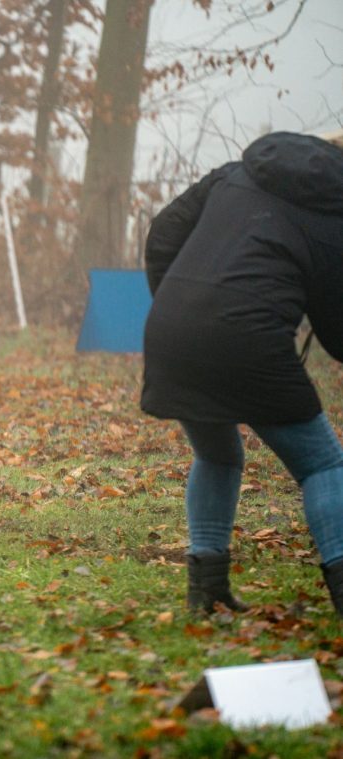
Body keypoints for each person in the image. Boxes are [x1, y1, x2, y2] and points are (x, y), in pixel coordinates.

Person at [141, 129, 343, 616]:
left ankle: (207, 592)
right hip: (249, 340)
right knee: (321, 464)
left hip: (172, 328)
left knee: (217, 454)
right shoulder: (334, 212)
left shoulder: (236, 174)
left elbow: (163, 232)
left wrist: (181, 305)